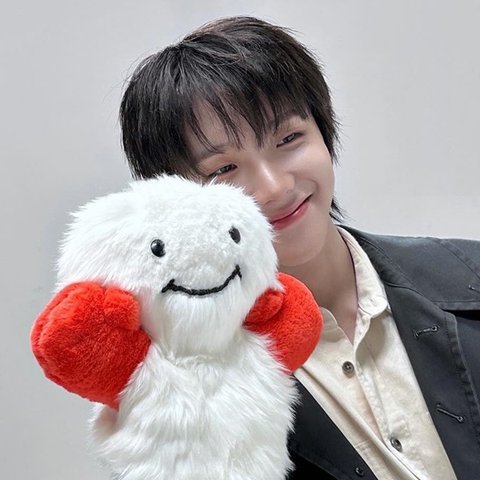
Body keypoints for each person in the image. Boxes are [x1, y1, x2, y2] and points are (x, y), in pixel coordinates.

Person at [118, 16, 480, 480]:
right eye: (223, 169)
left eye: (288, 139)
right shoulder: (183, 397)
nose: (273, 187)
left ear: (324, 131)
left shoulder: (469, 273)